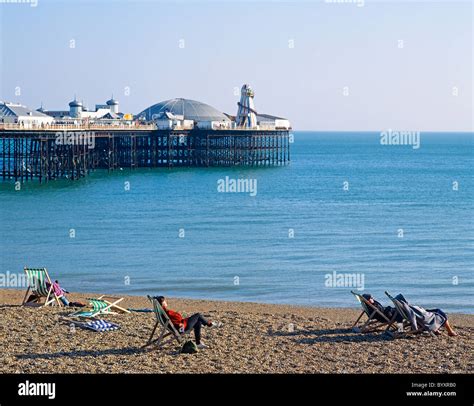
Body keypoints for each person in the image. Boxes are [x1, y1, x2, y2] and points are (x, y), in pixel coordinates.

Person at [155, 296, 220, 349]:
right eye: (164, 301)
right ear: (162, 304)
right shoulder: (167, 313)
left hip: (181, 324)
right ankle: (210, 325)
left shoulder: (164, 313)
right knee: (198, 315)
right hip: (182, 327)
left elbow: (174, 321)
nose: (166, 302)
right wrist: (180, 325)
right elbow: (176, 322)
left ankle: (198, 343)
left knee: (198, 321)